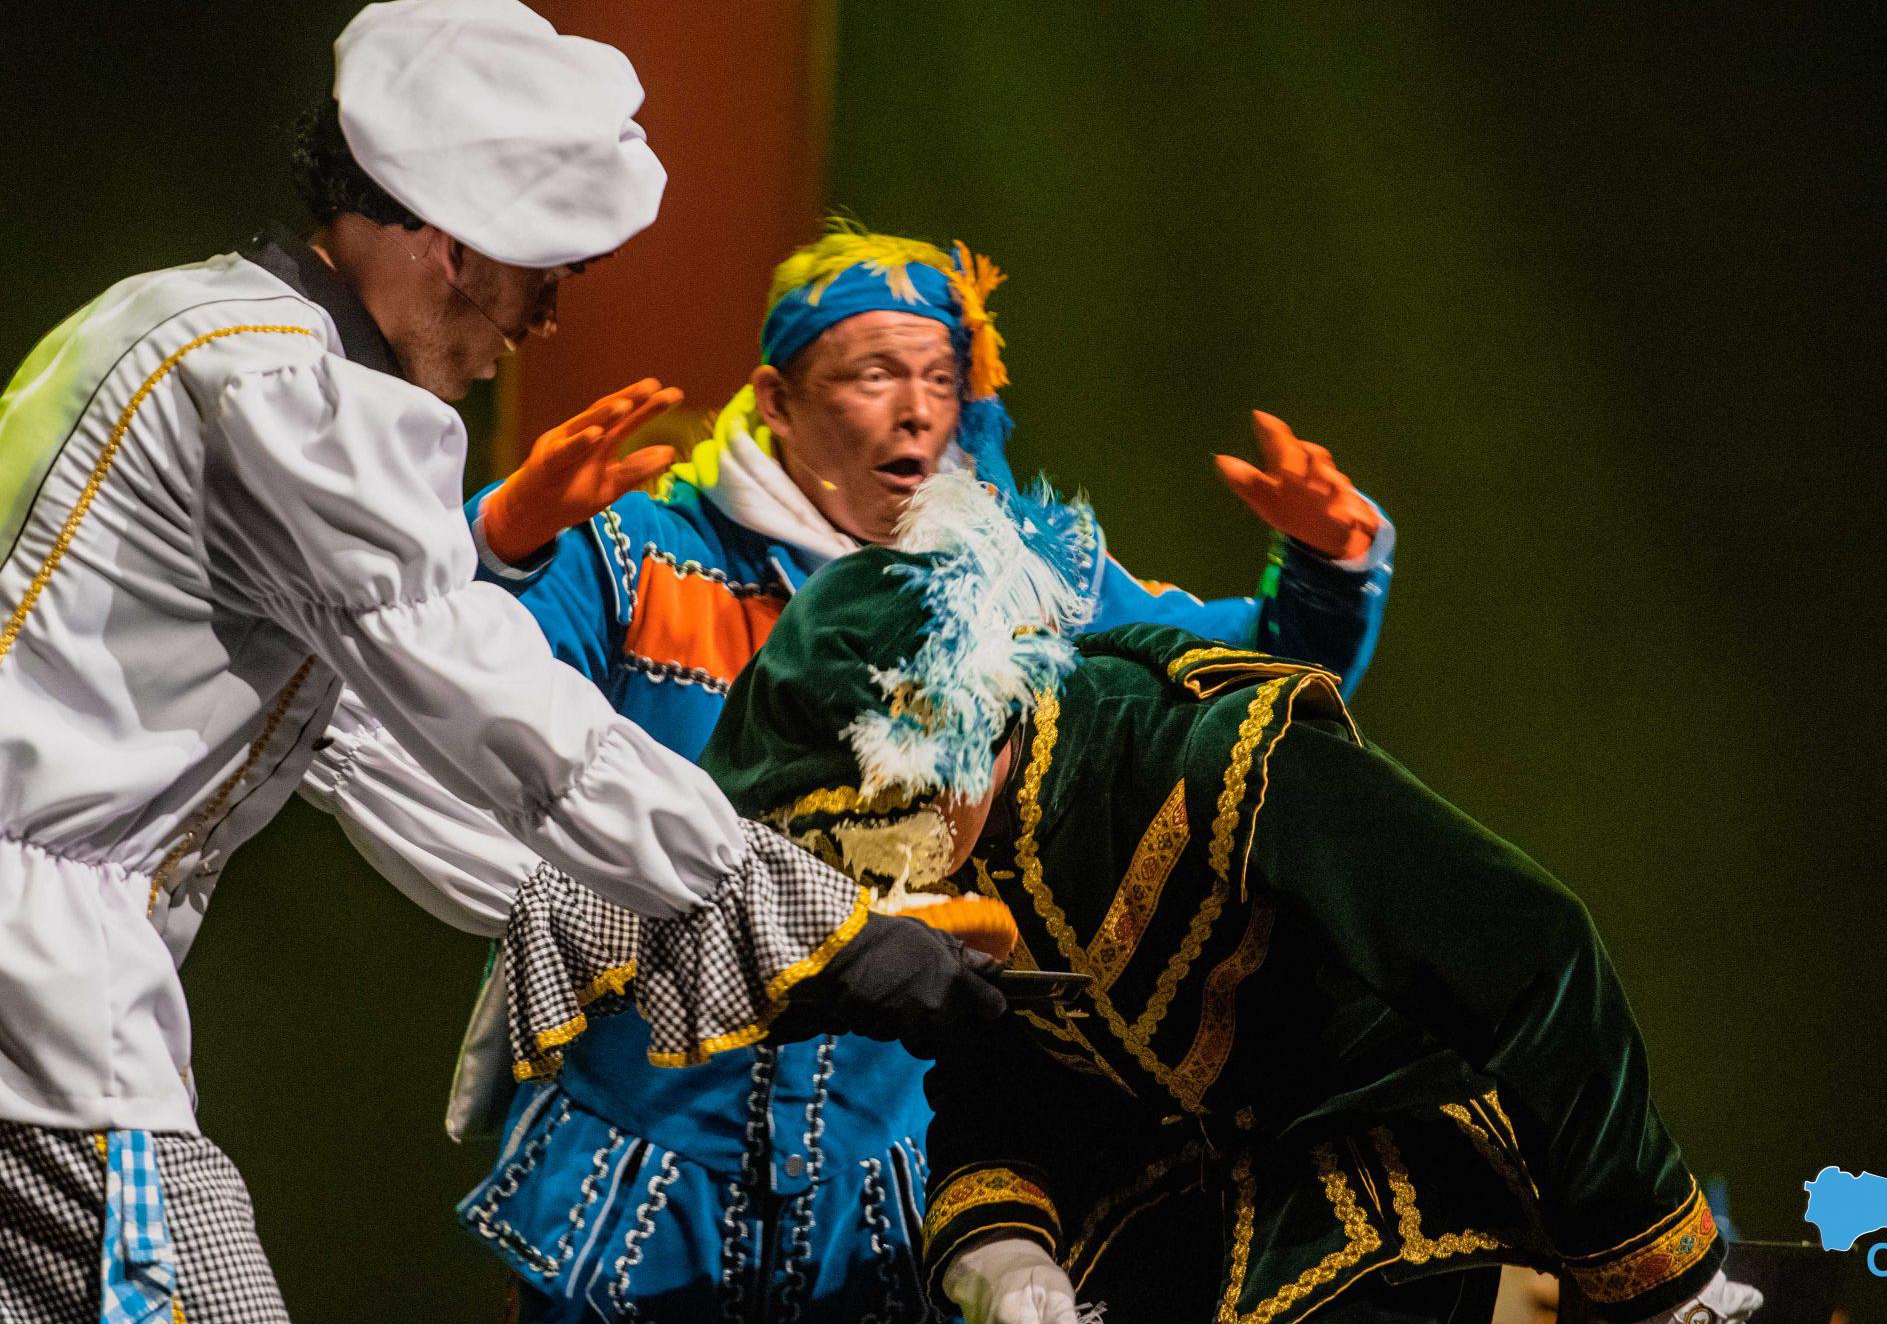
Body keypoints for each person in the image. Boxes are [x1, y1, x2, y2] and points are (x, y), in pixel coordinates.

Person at [0, 0, 999, 1324]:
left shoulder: (176, 321)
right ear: (452, 243)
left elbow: (380, 751)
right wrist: (811, 925)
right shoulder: (286, 388)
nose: (542, 321)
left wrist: (705, 939)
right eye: (543, 275)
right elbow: (495, 711)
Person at [451, 224, 1398, 1321]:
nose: (915, 409)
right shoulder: (642, 555)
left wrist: (1325, 572)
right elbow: (460, 678)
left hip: (884, 1170)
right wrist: (507, 538)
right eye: (873, 374)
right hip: (651, 1145)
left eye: (939, 378)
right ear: (777, 398)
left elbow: (1227, 689)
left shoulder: (1015, 583)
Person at [698, 470, 1769, 1324]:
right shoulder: (964, 866)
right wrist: (1007, 1255)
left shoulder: (1208, 757)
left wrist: (1652, 1274)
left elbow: (1536, 952)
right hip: (1184, 1208)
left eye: (858, 826)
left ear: (941, 732)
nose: (869, 874)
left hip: (1402, 1171)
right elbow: (1006, 1091)